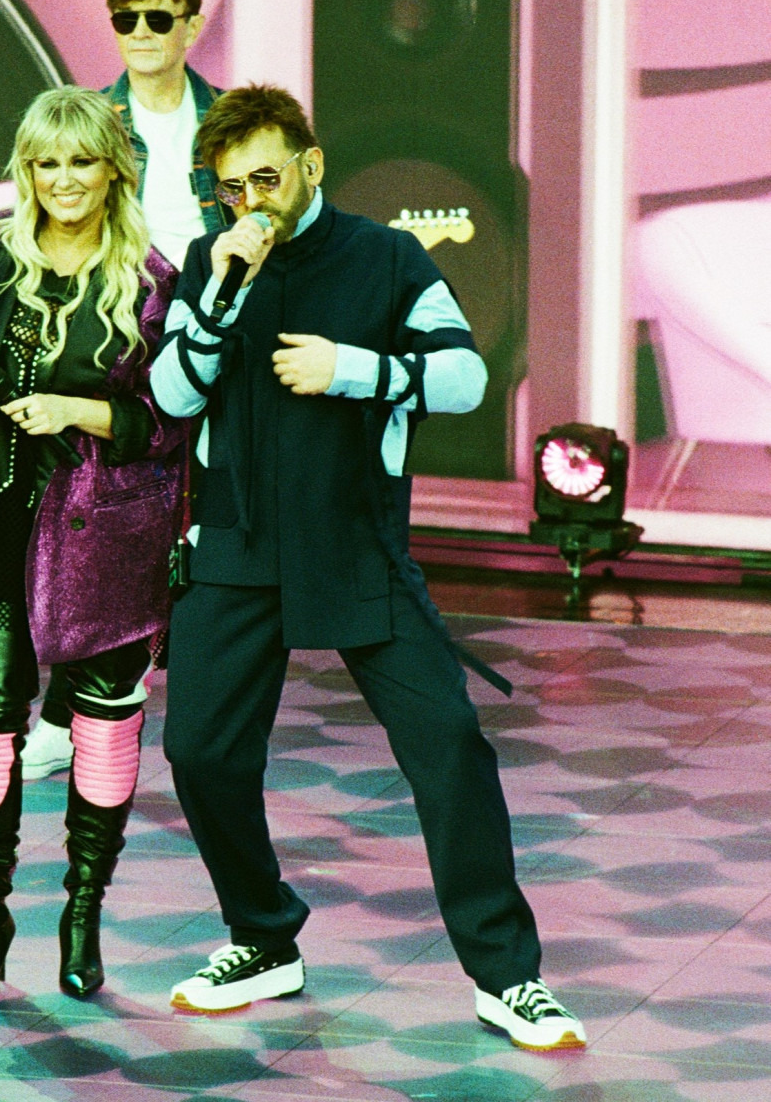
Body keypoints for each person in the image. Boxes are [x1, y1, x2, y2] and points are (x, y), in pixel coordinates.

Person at [150, 85, 586, 1052]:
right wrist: (218, 295)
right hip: (235, 545)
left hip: (355, 545)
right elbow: (171, 396)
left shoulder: (386, 257)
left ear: (311, 165)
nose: (251, 201)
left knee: (448, 744)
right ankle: (262, 939)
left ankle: (508, 978)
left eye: (267, 178)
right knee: (200, 753)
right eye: (230, 188)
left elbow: (465, 377)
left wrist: (358, 368)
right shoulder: (207, 263)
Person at [0, 85, 187, 1006]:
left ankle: (83, 913)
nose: (63, 179)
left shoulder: (151, 280)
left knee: (105, 720)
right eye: (46, 163)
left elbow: (168, 425)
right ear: (25, 169)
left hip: (104, 530)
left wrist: (80, 409)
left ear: (113, 170)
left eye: (81, 162)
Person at [22, 0, 228, 781]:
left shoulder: (229, 123)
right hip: (121, 334)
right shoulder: (91, 123)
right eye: (124, 18)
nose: (140, 33)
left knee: (206, 530)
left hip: (213, 332)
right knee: (100, 531)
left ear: (190, 23)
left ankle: (171, 706)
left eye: (157, 17)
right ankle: (66, 713)